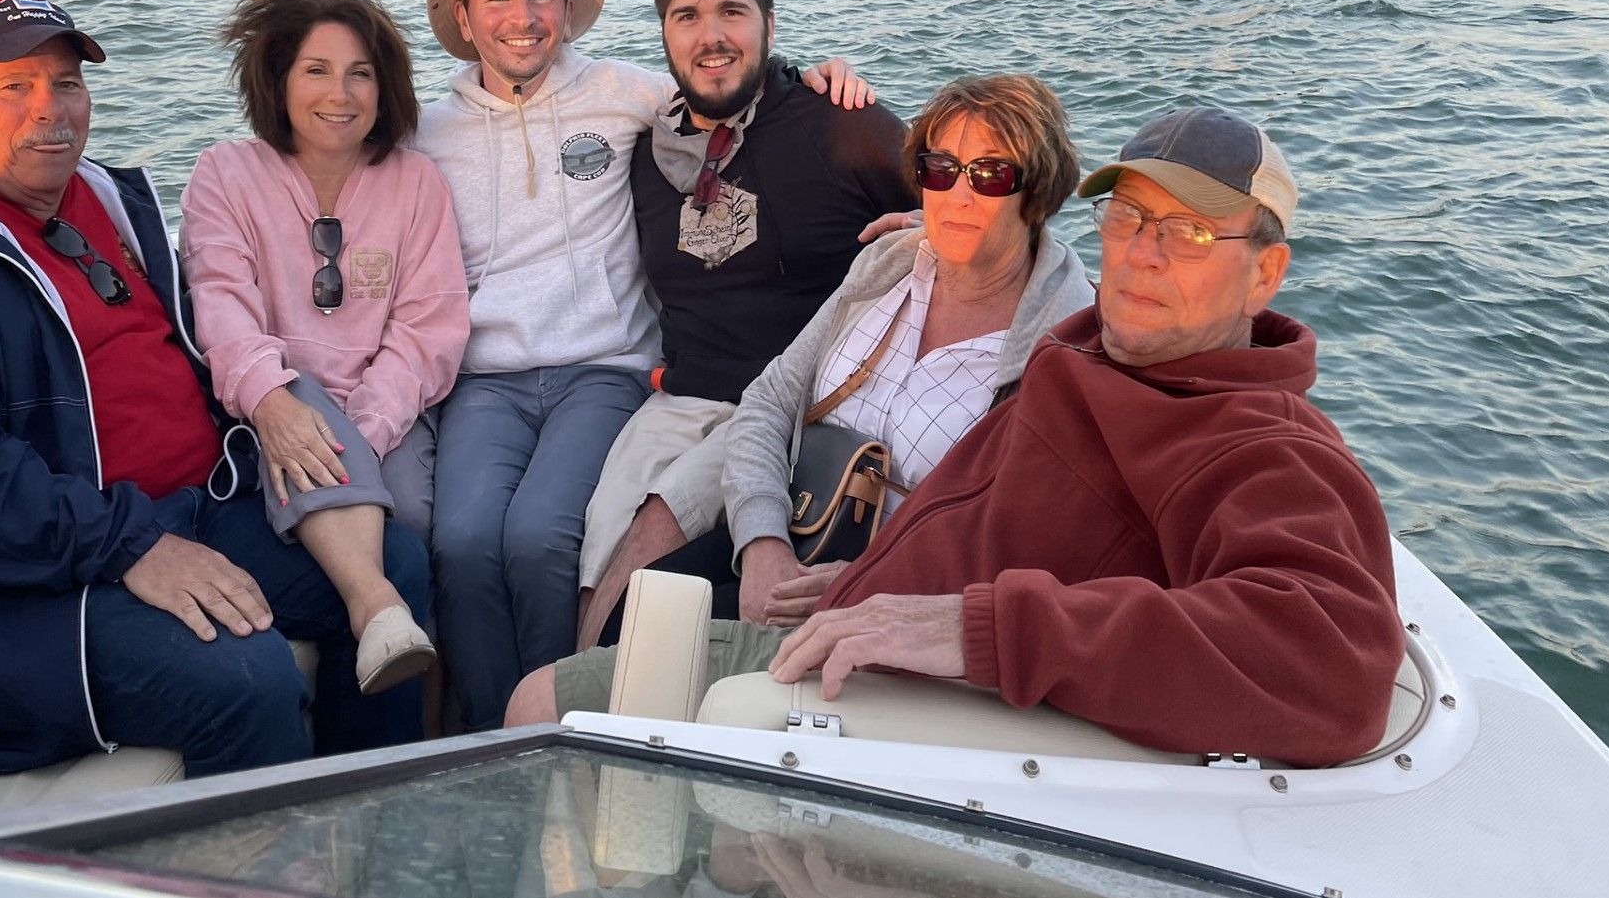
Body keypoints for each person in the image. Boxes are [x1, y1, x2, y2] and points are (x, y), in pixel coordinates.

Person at [511, 106, 1404, 769]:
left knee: (543, 709)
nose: (1144, 255)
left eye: (1190, 233)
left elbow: (1334, 663)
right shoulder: (1086, 352)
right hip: (842, 614)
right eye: (1127, 219)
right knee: (549, 686)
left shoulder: (1255, 439)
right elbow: (794, 403)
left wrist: (981, 631)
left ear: (1266, 275)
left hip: (890, 695)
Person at [0, 0, 431, 779]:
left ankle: (373, 824)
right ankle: (244, 893)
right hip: (10, 590)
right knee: (244, 678)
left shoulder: (100, 204)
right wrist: (130, 545)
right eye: (15, 86)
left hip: (181, 509)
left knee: (397, 569)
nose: (51, 109)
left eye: (66, 83)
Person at [393, 0, 868, 731]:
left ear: (568, 11)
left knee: (543, 537)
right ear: (464, 18)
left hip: (603, 370)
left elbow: (725, 88)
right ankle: (483, 735)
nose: (522, 17)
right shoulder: (426, 134)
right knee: (464, 542)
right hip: (484, 381)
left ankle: (555, 726)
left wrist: (819, 77)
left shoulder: (624, 96)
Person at [574, 0, 914, 647]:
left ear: (769, 24)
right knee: (591, 556)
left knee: (649, 536)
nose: (711, 36)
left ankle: (571, 717)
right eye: (687, 17)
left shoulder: (838, 128)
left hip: (789, 406)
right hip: (679, 396)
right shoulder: (648, 150)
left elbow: (957, 209)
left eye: (732, 12)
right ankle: (572, 713)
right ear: (664, 33)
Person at [180, 0, 469, 695]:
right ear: (278, 80)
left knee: (417, 521)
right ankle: (377, 618)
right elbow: (221, 305)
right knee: (360, 527)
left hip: (385, 414)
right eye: (317, 71)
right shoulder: (225, 174)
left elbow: (428, 329)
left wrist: (358, 436)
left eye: (360, 75)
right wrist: (275, 404)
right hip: (267, 405)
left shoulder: (415, 182)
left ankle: (422, 712)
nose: (339, 96)